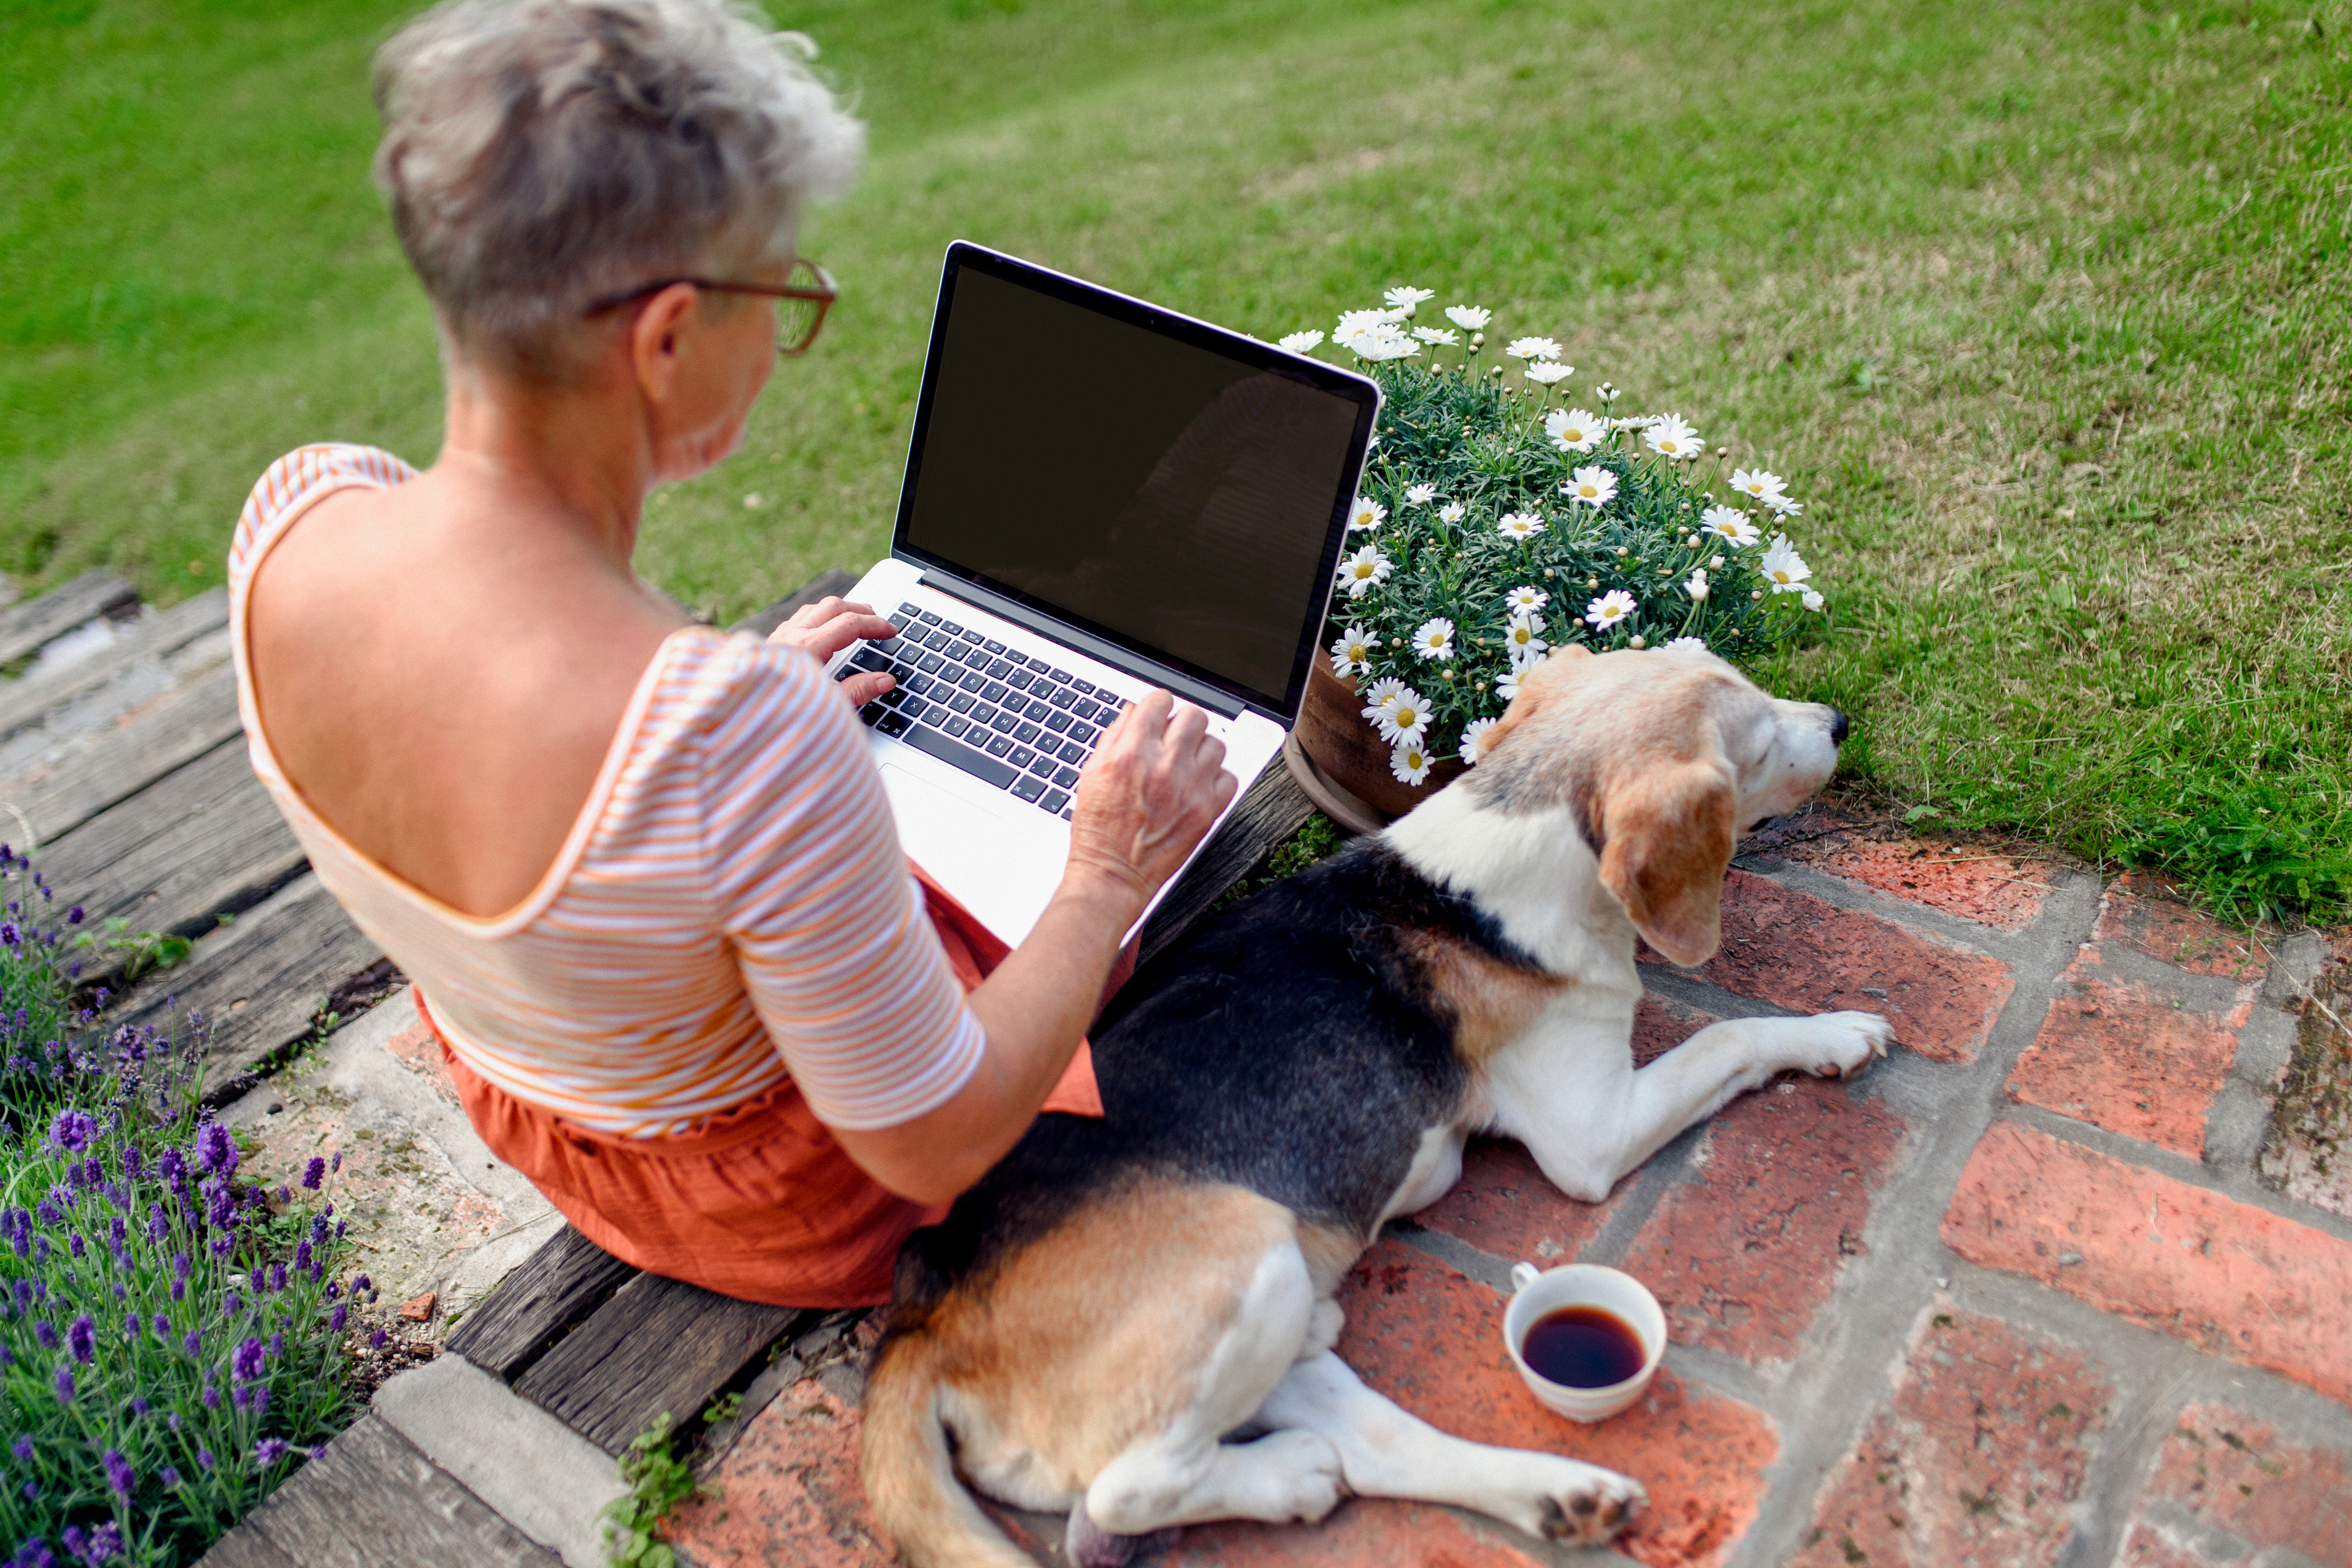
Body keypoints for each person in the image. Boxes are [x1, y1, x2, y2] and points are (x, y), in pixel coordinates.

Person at [226, 0, 1235, 1307]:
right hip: (793, 1199)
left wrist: (720, 747)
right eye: (780, 289)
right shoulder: (734, 735)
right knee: (1119, 905)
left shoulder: (295, 517)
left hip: (547, 1105)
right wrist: (1106, 873)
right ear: (664, 339)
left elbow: (541, 783)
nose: (785, 326)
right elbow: (932, 1139)